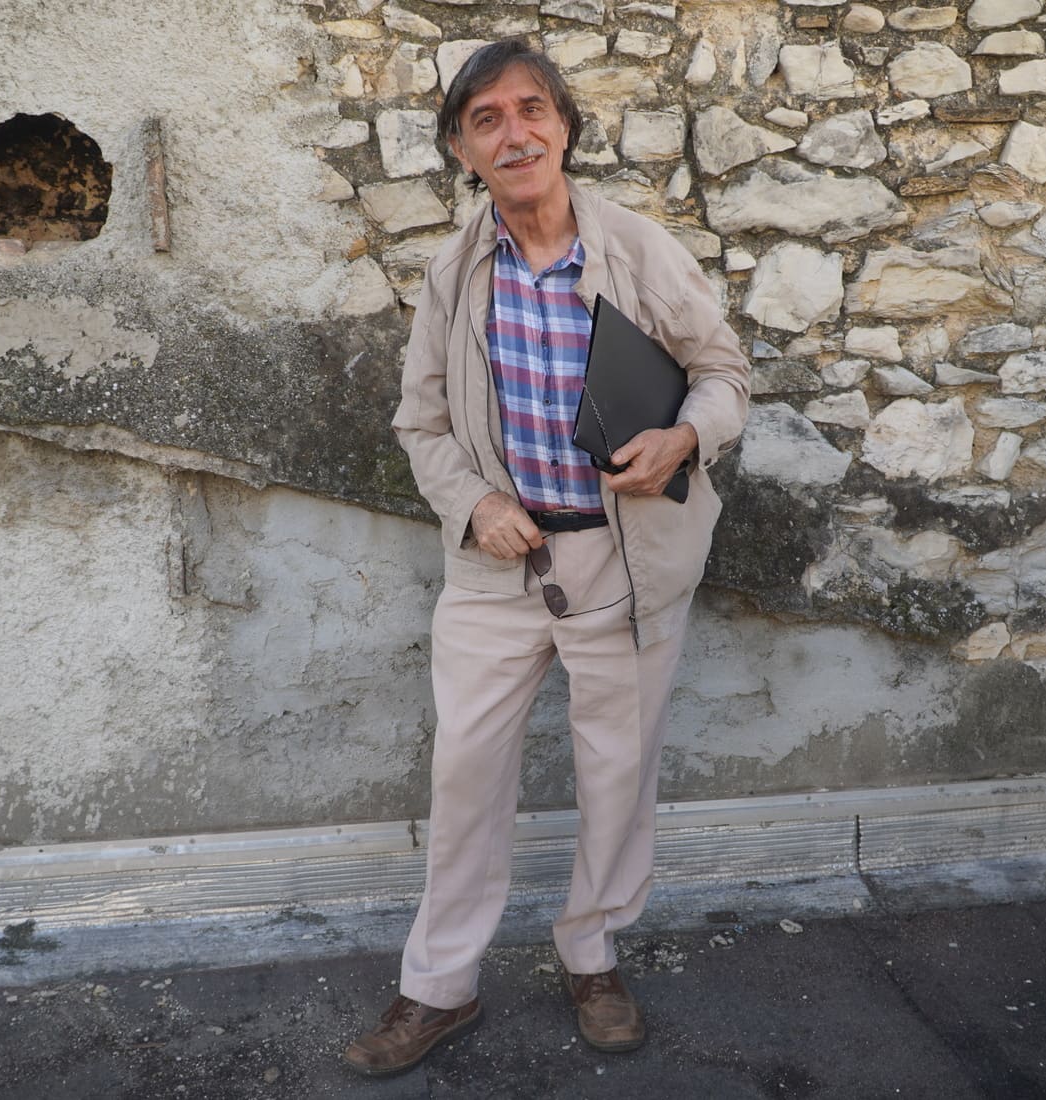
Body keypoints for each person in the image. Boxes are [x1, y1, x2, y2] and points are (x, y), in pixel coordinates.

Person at [342, 38, 750, 1077]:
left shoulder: (636, 248)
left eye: (532, 110)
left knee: (618, 772)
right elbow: (419, 425)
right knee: (466, 773)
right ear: (461, 149)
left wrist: (684, 437)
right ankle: (438, 986)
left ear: (564, 126)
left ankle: (593, 953)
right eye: (487, 119)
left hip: (625, 559)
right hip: (499, 567)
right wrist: (473, 501)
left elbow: (724, 371)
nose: (514, 132)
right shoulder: (451, 272)